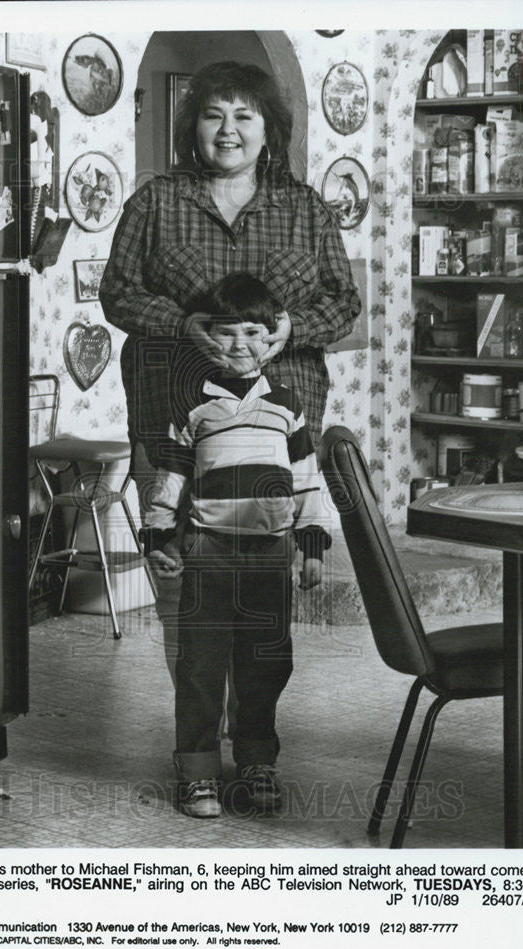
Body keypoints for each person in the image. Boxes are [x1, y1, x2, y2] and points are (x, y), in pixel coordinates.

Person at [98, 60, 361, 686]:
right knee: (180, 583)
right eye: (214, 114)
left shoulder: (306, 211)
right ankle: (197, 745)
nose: (228, 129)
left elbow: (344, 302)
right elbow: (117, 294)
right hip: (172, 425)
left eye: (245, 115)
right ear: (194, 127)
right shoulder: (155, 203)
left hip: (278, 431)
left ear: (270, 129)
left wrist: (294, 328)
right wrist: (180, 323)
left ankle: (252, 746)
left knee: (261, 598)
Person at [141, 273, 332, 818]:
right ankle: (197, 770)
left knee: (265, 663)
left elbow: (306, 479)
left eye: (254, 332)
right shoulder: (193, 405)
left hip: (270, 553)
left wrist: (311, 545)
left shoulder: (287, 406)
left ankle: (256, 762)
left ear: (273, 338)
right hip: (207, 550)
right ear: (206, 338)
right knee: (201, 665)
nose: (240, 345)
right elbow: (172, 478)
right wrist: (159, 535)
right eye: (226, 334)